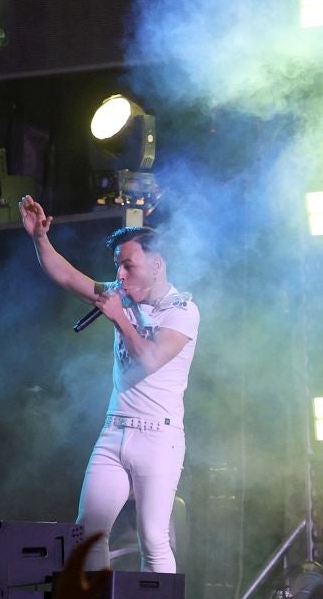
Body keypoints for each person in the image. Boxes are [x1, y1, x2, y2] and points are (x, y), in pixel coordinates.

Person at [19, 201, 198, 572]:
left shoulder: (182, 310)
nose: (120, 274)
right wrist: (40, 239)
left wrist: (120, 319)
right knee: (88, 534)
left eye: (128, 265)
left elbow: (150, 359)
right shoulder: (120, 294)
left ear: (156, 265)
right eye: (118, 265)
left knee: (153, 537)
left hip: (158, 438)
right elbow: (66, 276)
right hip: (115, 431)